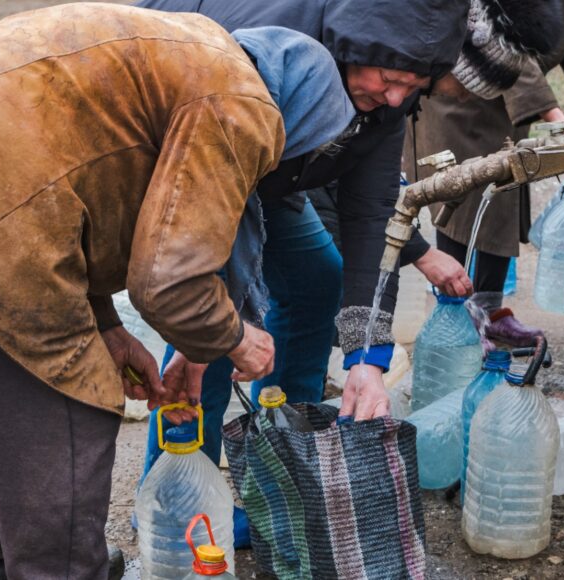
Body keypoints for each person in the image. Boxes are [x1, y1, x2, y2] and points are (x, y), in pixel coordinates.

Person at [0, 4, 356, 578]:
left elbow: (75, 174)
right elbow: (170, 284)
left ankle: (6, 562)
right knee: (74, 400)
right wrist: (239, 340)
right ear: (301, 112)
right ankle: (61, 567)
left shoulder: (204, 55)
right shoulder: (245, 104)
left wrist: (107, 327)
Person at [136, 0, 473, 473]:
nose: (397, 98)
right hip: (191, 164)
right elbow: (207, 200)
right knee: (210, 325)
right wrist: (214, 331)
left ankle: (285, 468)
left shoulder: (383, 93)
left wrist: (366, 360)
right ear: (352, 47)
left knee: (315, 279)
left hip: (273, 175)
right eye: (390, 79)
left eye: (413, 87)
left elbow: (371, 211)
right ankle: (182, 498)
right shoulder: (263, 53)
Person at [405, 0, 564, 340]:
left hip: (509, 99)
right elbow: (504, 38)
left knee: (503, 198)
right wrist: (554, 117)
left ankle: (489, 312)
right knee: (458, 198)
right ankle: (455, 316)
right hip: (460, 86)